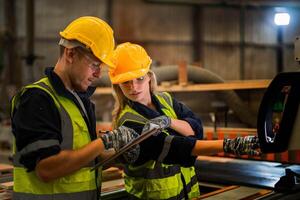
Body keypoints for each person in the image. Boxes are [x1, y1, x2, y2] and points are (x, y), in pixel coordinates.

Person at [109, 42, 261, 199]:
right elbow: (177, 148)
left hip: (188, 193)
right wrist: (230, 145)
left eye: (139, 78)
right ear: (118, 85)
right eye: (126, 81)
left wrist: (168, 121)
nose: (133, 87)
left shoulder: (166, 99)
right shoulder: (128, 121)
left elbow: (196, 129)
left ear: (149, 77)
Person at [10, 16, 140, 200]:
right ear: (70, 54)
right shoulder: (37, 99)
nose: (97, 74)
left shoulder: (80, 101)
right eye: (95, 64)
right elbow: (47, 169)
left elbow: (82, 161)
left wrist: (116, 157)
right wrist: (105, 142)